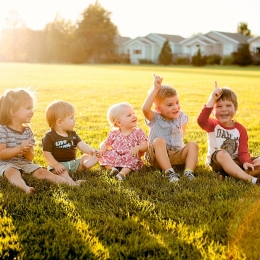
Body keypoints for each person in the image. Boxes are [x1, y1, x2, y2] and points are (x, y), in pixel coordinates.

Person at [0, 89, 81, 194]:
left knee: (42, 172)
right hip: (6, 164)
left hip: (24, 163)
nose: (32, 112)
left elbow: (30, 158)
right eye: (28, 108)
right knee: (12, 172)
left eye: (32, 108)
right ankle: (24, 188)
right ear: (13, 112)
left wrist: (27, 151)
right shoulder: (2, 130)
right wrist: (19, 148)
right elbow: (2, 154)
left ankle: (70, 183)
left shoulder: (27, 131)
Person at [197, 81, 260, 185]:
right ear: (212, 111)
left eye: (228, 105)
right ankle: (252, 179)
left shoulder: (240, 129)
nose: (224, 109)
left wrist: (246, 162)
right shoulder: (212, 125)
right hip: (217, 162)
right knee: (222, 153)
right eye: (219, 106)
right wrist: (212, 99)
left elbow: (243, 152)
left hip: (236, 162)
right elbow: (201, 120)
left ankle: (230, 174)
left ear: (235, 109)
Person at [142, 75, 199, 182]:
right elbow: (145, 109)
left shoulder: (181, 116)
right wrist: (156, 89)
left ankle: (188, 172)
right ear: (158, 109)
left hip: (176, 155)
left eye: (177, 102)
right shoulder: (155, 118)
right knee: (159, 141)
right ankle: (169, 172)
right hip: (157, 158)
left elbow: (182, 133)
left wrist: (181, 151)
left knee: (193, 145)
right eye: (169, 105)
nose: (175, 107)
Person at [42, 100, 99, 183]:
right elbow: (47, 154)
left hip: (73, 164)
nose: (74, 120)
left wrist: (92, 151)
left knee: (85, 157)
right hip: (59, 166)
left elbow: (82, 145)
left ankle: (87, 163)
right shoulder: (49, 136)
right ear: (59, 122)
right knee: (61, 172)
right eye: (71, 118)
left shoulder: (72, 134)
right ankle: (72, 183)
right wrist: (56, 165)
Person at [99, 102, 148, 181]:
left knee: (134, 158)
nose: (134, 116)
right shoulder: (114, 133)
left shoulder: (138, 132)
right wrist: (102, 147)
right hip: (117, 155)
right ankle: (112, 169)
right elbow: (105, 143)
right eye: (129, 115)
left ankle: (122, 174)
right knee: (104, 155)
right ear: (119, 123)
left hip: (130, 155)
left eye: (133, 113)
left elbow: (145, 146)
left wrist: (138, 147)